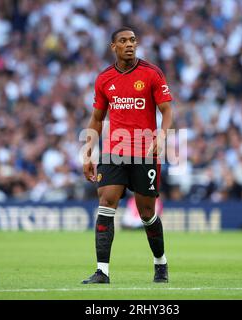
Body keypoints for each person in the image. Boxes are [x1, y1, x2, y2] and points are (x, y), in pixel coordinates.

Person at [81, 27, 173, 284]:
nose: (129, 44)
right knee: (107, 202)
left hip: (144, 152)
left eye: (132, 40)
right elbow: (97, 119)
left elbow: (166, 111)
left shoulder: (151, 73)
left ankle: (160, 263)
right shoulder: (104, 79)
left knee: (146, 213)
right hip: (114, 152)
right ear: (114, 47)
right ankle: (102, 271)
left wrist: (162, 135)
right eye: (123, 41)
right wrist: (87, 153)